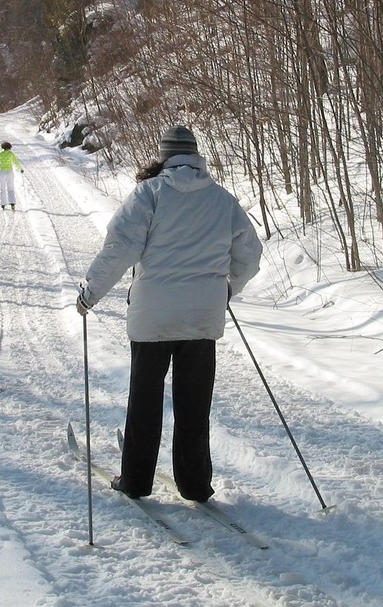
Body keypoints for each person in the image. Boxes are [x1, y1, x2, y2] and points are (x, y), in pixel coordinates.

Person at [75, 125, 262, 502]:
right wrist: (227, 288)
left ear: (165, 155)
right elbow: (250, 254)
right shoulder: (222, 199)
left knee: (144, 402)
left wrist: (89, 294)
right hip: (202, 319)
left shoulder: (149, 193)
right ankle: (194, 485)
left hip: (152, 319)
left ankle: (136, 481)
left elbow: (120, 249)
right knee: (194, 406)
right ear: (195, 155)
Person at [0, 141, 24, 209]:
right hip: (10, 172)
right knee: (10, 187)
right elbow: (16, 162)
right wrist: (20, 168)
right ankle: (12, 203)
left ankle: (3, 204)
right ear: (9, 147)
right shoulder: (11, 154)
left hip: (2, 172)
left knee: (2, 188)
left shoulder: (0, 153)